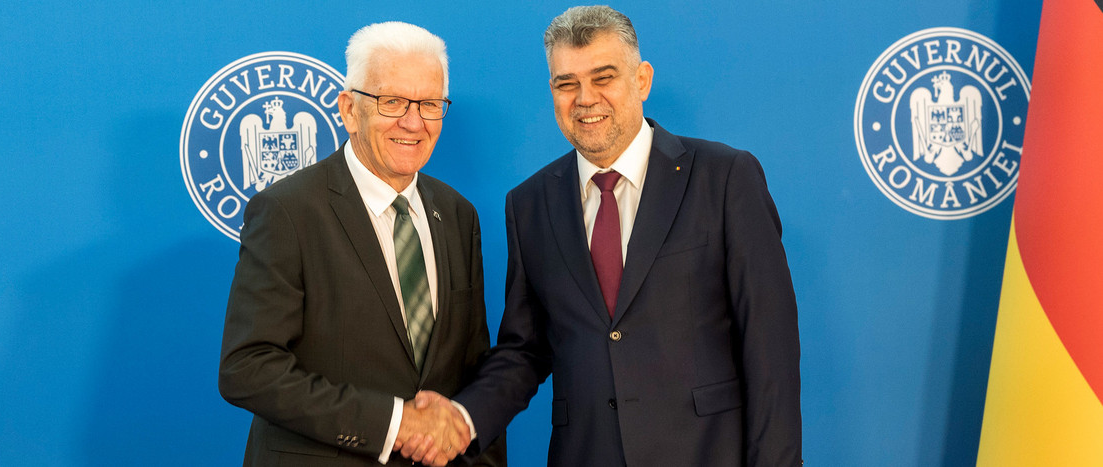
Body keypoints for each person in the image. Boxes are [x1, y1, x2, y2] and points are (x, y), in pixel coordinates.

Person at [408, 5, 802, 466]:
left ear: (642, 80)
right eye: (566, 83)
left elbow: (770, 351)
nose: (585, 98)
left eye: (603, 77)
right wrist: (463, 417)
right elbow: (525, 349)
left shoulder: (725, 178)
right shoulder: (530, 203)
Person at [218, 21, 505, 467]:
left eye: (429, 104)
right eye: (392, 101)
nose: (413, 122)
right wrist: (394, 422)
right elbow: (249, 368)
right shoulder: (287, 211)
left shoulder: (456, 214)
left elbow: (474, 367)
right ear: (350, 109)